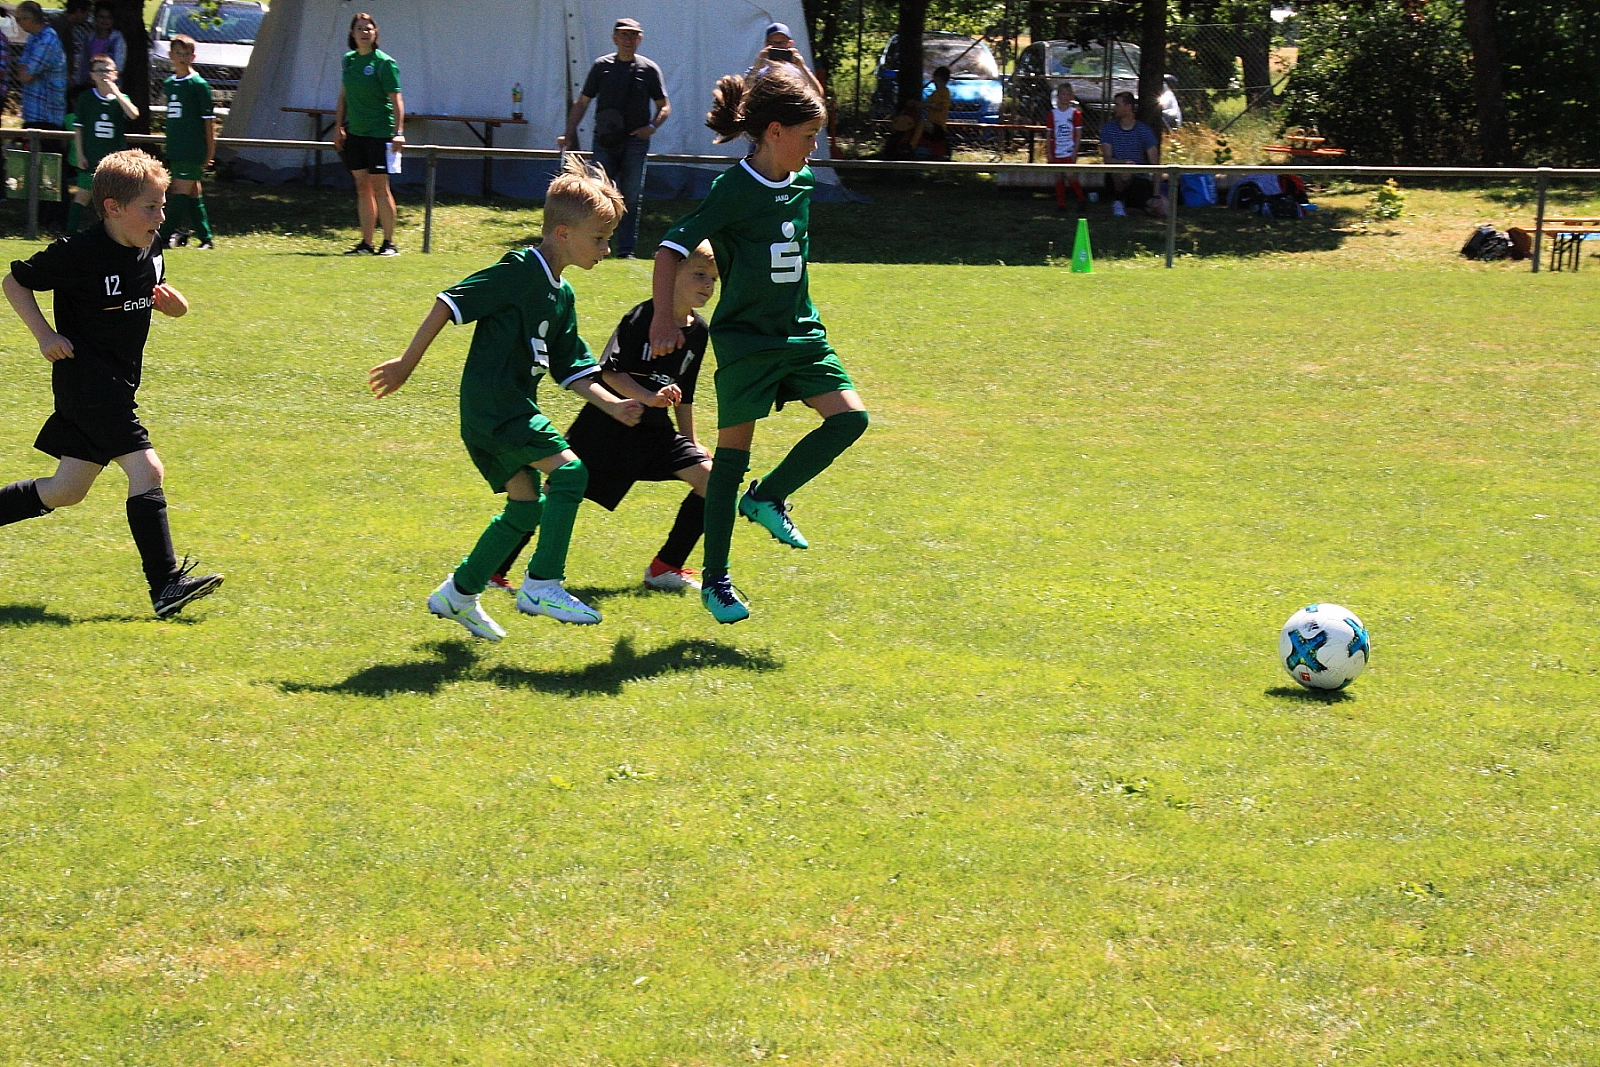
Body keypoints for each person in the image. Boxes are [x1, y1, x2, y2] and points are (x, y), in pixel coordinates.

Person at [367, 154, 645, 640]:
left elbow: (572, 367)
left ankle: (458, 594)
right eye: (600, 238)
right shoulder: (519, 270)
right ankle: (542, 584)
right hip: (497, 408)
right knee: (571, 473)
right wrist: (406, 364)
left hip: (504, 411)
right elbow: (448, 302)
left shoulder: (562, 295)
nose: (606, 248)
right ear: (563, 233)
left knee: (525, 507)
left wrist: (613, 404)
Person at [650, 63, 870, 624]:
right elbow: (670, 248)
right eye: (808, 135)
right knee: (729, 462)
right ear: (774, 132)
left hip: (802, 333)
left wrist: (792, 70)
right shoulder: (732, 189)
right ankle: (716, 582)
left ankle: (767, 496)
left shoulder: (801, 181)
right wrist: (662, 320)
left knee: (851, 419)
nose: (814, 147)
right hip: (747, 343)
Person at [0, 150, 224, 618]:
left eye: (162, 206)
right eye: (150, 207)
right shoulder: (79, 252)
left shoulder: (150, 248)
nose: (160, 218)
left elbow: (158, 296)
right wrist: (45, 336)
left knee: (66, 490)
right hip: (88, 384)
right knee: (148, 471)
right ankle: (165, 586)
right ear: (113, 208)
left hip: (119, 383)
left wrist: (176, 307)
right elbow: (14, 282)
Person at [488, 242, 719, 595]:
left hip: (655, 433)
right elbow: (610, 372)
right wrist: (647, 397)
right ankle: (493, 571)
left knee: (713, 480)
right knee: (553, 495)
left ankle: (665, 567)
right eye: (699, 274)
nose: (707, 284)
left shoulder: (699, 331)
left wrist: (691, 441)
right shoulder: (642, 317)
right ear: (670, 275)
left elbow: (684, 392)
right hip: (606, 428)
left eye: (714, 278)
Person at [561, 18, 669, 260]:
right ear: (614, 38)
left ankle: (626, 249)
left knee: (630, 196)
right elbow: (583, 102)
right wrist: (569, 132)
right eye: (623, 34)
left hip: (635, 142)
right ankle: (594, 243)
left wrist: (651, 127)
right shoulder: (602, 67)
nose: (628, 39)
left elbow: (664, 106)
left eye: (633, 35)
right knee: (597, 194)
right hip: (605, 140)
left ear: (640, 39)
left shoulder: (648, 69)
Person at [333, 11, 403, 256]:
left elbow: (396, 99)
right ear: (352, 34)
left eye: (368, 29)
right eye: (359, 29)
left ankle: (389, 243)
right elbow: (343, 96)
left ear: (375, 33)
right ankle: (366, 243)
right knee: (362, 187)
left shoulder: (384, 63)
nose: (364, 33)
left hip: (379, 133)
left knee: (380, 187)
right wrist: (339, 127)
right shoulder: (349, 61)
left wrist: (399, 132)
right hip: (356, 133)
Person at [158, 35, 217, 250]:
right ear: (170, 55)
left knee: (179, 191)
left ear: (193, 56)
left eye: (186, 54)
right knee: (193, 193)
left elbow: (209, 122)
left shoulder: (198, 85)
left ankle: (162, 236)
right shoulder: (169, 84)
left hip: (192, 149)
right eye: (178, 53)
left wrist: (210, 151)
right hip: (176, 147)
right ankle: (206, 238)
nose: (182, 57)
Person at [14, 2, 69, 229]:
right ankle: (40, 219)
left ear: (30, 19)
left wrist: (25, 69)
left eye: (19, 18)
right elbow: (22, 70)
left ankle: (57, 219)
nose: (17, 22)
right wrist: (24, 69)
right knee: (36, 169)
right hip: (34, 113)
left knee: (52, 170)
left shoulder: (47, 40)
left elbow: (25, 74)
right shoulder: (34, 39)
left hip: (48, 116)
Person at [67, 53, 137, 233]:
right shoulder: (86, 98)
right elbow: (79, 128)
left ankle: (114, 235)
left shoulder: (121, 99)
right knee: (83, 195)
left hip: (114, 159)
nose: (104, 74)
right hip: (91, 156)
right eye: (99, 71)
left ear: (115, 74)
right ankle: (70, 234)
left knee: (113, 199)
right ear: (92, 75)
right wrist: (80, 154)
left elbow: (133, 114)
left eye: (107, 70)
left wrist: (116, 93)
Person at [1098, 90, 1166, 217]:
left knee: (1162, 210)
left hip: (1139, 179)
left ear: (1128, 107)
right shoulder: (1108, 129)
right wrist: (1124, 163)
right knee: (1124, 173)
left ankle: (1139, 204)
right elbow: (1107, 159)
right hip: (1116, 176)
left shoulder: (1144, 131)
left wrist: (1156, 195)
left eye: (1117, 105)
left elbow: (1156, 165)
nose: (1114, 108)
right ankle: (1118, 201)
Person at [748, 22, 824, 97]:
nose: (778, 46)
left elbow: (818, 94)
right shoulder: (758, 70)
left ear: (790, 44)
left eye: (782, 42)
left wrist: (802, 67)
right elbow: (744, 91)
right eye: (773, 42)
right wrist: (757, 66)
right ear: (766, 44)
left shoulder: (799, 70)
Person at [1048, 81, 1085, 211]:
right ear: (1058, 96)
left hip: (1069, 150)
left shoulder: (1075, 114)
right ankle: (1061, 204)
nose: (1065, 97)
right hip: (1057, 150)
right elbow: (1049, 134)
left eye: (1068, 94)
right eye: (1063, 94)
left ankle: (1081, 199)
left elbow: (1078, 134)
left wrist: (1075, 151)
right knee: (1058, 176)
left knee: (1070, 175)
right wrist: (1049, 152)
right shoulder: (1053, 114)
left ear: (1072, 97)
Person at [76, 3, 123, 88]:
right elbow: (83, 63)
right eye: (101, 17)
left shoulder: (116, 38)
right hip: (88, 84)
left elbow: (118, 65)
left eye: (109, 17)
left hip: (109, 84)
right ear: (95, 18)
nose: (105, 21)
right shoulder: (89, 38)